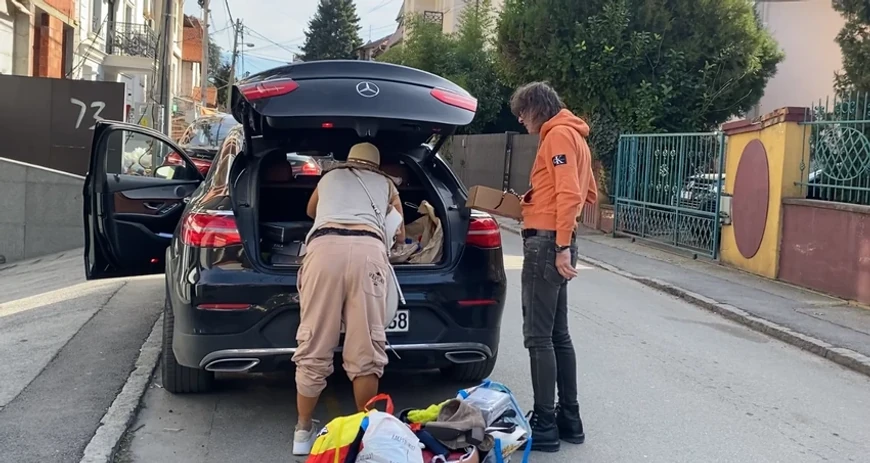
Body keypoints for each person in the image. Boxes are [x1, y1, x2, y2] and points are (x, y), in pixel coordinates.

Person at [291, 142, 405, 455]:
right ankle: (364, 431)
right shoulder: (385, 184)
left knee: (314, 340)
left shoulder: (328, 178)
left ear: (349, 161)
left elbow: (310, 211)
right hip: (368, 253)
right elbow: (400, 233)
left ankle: (302, 431)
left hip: (324, 250)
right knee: (365, 344)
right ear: (376, 165)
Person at [511, 82, 598, 453]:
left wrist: (560, 243)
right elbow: (589, 192)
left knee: (538, 337)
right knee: (558, 334)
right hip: (558, 238)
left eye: (522, 111)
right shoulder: (575, 134)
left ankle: (545, 423)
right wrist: (536, 200)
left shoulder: (557, 136)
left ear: (537, 107)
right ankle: (569, 418)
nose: (519, 119)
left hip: (548, 243)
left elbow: (571, 193)